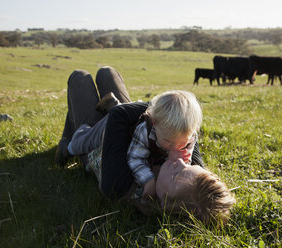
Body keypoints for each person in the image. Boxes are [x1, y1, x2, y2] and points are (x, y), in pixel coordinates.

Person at [55, 66, 235, 223]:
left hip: (98, 139)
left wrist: (160, 112)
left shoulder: (119, 187)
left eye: (176, 174)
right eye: (191, 167)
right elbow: (188, 134)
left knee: (79, 77)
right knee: (107, 72)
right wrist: (176, 113)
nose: (181, 162)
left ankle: (67, 145)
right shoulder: (187, 186)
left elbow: (118, 116)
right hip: (134, 125)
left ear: (162, 202)